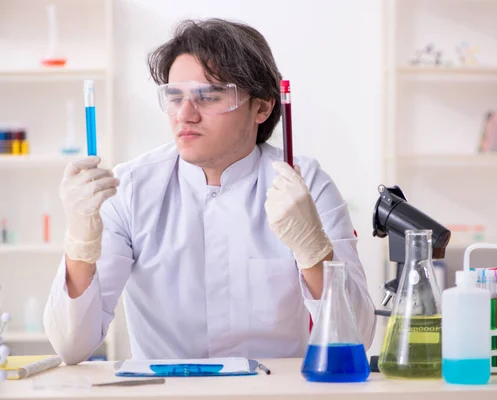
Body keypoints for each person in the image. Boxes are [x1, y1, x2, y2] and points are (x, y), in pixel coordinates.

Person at [44, 18, 376, 364]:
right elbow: (72, 347)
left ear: (262, 106)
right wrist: (80, 245)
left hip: (273, 393)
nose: (185, 115)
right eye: (174, 97)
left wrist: (313, 250)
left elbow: (357, 337)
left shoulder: (305, 185)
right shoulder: (129, 190)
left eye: (209, 96)